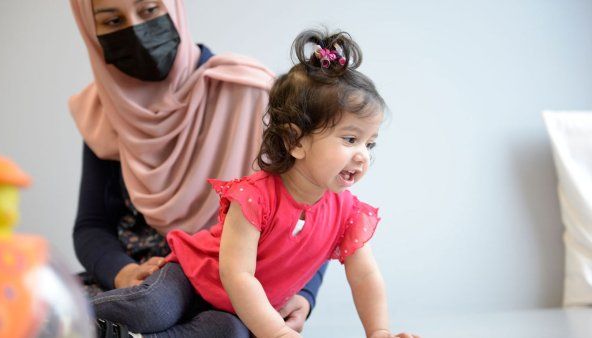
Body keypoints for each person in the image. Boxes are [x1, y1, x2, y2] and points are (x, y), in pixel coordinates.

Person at [91, 28, 420, 338]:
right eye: (350, 138)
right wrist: (276, 332)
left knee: (229, 332)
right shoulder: (254, 197)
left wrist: (379, 332)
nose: (363, 155)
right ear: (296, 141)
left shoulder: (347, 212)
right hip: (192, 279)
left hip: (233, 309)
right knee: (152, 309)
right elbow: (238, 275)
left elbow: (364, 276)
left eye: (369, 143)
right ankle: (56, 314)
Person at [69, 0, 327, 336]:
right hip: (142, 281)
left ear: (173, 9)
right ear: (91, 31)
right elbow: (91, 226)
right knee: (54, 306)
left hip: (237, 279)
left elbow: (315, 209)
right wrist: (123, 273)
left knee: (228, 330)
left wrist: (305, 296)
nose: (135, 29)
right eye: (113, 20)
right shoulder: (104, 111)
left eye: (149, 10)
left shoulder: (253, 94)